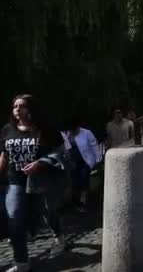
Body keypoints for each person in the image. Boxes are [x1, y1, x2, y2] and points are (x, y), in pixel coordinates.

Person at [0, 94, 67, 272]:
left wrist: (40, 163)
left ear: (31, 109)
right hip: (15, 181)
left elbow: (62, 152)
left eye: (22, 106)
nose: (17, 110)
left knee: (47, 213)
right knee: (13, 218)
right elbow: (4, 156)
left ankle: (59, 235)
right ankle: (21, 263)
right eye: (15, 106)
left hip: (41, 180)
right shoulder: (7, 129)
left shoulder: (45, 129)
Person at [61, 116, 101, 212]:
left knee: (84, 178)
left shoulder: (86, 133)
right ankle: (75, 202)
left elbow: (94, 146)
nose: (73, 131)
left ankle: (83, 200)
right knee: (74, 182)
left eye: (75, 129)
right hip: (73, 162)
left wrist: (98, 159)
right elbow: (65, 149)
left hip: (85, 161)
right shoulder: (66, 134)